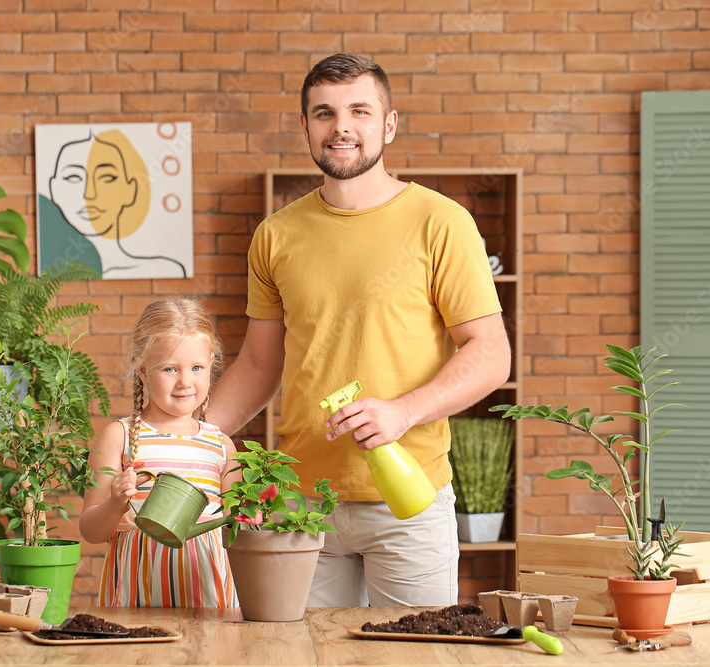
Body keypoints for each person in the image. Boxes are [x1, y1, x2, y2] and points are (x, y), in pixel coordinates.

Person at [206, 53, 511, 608]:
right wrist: (189, 438)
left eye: (359, 111)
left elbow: (489, 353)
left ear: (388, 124)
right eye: (324, 113)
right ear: (306, 127)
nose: (340, 126)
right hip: (302, 504)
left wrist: (402, 411)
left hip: (408, 501)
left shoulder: (441, 222)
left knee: (413, 656)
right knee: (304, 656)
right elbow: (258, 364)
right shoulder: (276, 235)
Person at [79, 297, 239, 607]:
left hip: (208, 597)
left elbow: (239, 527)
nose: (185, 382)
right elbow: (90, 531)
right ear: (142, 371)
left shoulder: (222, 445)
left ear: (210, 368)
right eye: (169, 369)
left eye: (197, 368)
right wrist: (115, 503)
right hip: (136, 598)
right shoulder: (117, 438)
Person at [40, 129, 187, 278]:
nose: (89, 194)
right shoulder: (48, 279)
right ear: (53, 188)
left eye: (107, 177)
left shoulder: (165, 268)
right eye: (73, 177)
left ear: (130, 189)